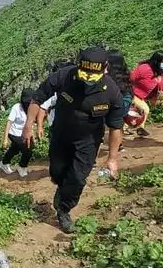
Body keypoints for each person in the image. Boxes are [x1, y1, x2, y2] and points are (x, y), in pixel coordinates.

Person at [24, 46, 125, 233]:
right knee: (57, 172)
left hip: (88, 141)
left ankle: (64, 209)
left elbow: (116, 127)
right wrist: (28, 126)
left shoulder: (111, 92)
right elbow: (38, 98)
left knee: (78, 178)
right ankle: (62, 189)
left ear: (105, 68)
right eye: (84, 74)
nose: (87, 81)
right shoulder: (65, 76)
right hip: (61, 135)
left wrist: (112, 159)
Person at [130, 51, 163, 137]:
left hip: (149, 95)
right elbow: (130, 78)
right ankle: (138, 128)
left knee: (140, 110)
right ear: (156, 61)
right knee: (145, 109)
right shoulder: (144, 68)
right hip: (134, 93)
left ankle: (132, 126)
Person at [0, 88, 35, 178]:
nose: (27, 103)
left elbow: (32, 122)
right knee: (27, 150)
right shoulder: (16, 107)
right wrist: (5, 139)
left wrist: (32, 133)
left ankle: (4, 163)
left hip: (25, 133)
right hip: (14, 133)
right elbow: (9, 123)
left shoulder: (33, 107)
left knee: (14, 149)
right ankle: (22, 166)